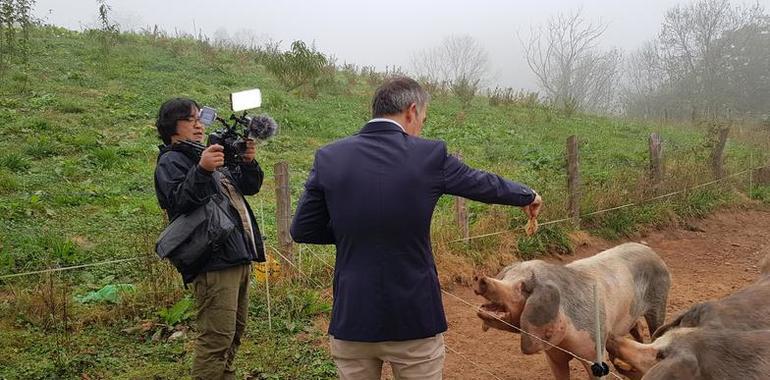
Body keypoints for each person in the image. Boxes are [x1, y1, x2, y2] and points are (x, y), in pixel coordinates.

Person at [290, 77, 542, 379]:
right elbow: (482, 184)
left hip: (352, 319)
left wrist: (352, 232)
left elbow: (303, 229)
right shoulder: (430, 155)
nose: (420, 126)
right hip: (415, 319)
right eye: (422, 118)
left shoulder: (329, 157)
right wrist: (527, 195)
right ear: (411, 111)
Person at [153, 97, 266, 380]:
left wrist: (249, 163)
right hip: (212, 261)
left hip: (237, 255)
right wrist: (203, 170)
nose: (198, 125)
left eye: (200, 119)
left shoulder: (206, 154)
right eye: (190, 119)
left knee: (234, 333)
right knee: (216, 339)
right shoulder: (172, 161)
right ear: (171, 127)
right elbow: (178, 203)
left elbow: (249, 187)